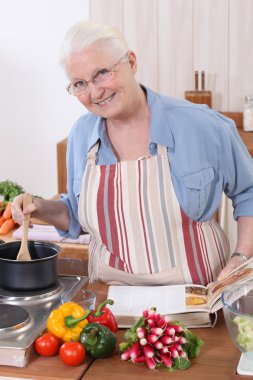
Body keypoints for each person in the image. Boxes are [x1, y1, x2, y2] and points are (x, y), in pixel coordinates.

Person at [12, 20, 253, 286]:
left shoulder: (203, 126)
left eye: (102, 73)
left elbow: (249, 191)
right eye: (79, 83)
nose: (94, 92)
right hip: (112, 304)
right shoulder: (81, 135)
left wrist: (241, 258)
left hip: (197, 299)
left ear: (132, 62)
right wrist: (41, 207)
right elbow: (78, 216)